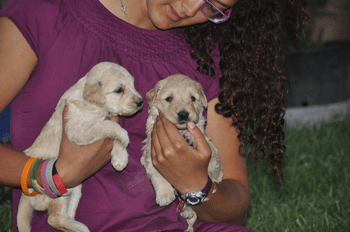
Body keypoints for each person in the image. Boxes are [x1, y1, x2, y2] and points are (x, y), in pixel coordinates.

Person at [0, 0, 307, 231]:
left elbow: (235, 201)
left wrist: (198, 186)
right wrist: (51, 175)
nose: (190, 7)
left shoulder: (206, 58)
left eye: (215, 6)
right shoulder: (46, 13)